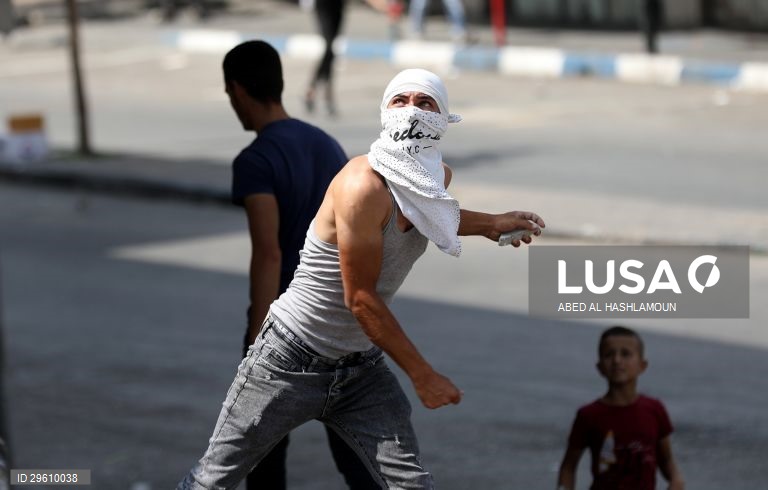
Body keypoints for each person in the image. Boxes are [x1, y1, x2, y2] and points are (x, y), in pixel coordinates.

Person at [179, 67, 545, 489]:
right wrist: (422, 374)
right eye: (399, 101)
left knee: (409, 485)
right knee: (212, 481)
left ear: (443, 120)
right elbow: (361, 300)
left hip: (359, 368)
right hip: (288, 358)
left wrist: (489, 223)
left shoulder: (436, 178)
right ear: (383, 113)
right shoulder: (361, 185)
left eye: (425, 103)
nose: (411, 111)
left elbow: (425, 210)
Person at [222, 40, 378, 490]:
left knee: (263, 454)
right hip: (341, 323)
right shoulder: (326, 145)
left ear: (237, 90)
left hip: (288, 328)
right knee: (359, 454)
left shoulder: (255, 162)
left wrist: (256, 340)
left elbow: (268, 252)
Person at [556, 326, 685, 490]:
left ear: (642, 365)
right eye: (609, 354)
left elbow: (666, 460)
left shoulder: (654, 410)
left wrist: (676, 480)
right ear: (599, 366)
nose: (617, 360)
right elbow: (568, 466)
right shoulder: (588, 415)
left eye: (626, 354)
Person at [304, 0, 345, 117]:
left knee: (331, 49)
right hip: (323, 4)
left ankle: (314, 90)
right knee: (329, 47)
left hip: (338, 5)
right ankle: (327, 95)